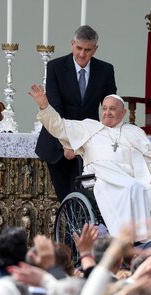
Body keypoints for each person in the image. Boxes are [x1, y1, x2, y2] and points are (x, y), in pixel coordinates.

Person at [29, 86, 151, 242]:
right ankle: (143, 239)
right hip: (105, 178)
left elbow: (150, 157)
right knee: (133, 188)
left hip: (136, 177)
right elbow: (58, 126)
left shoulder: (134, 131)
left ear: (123, 113)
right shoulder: (89, 127)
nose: (107, 112)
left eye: (112, 109)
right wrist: (44, 105)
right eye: (105, 108)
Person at [35, 25, 117, 203]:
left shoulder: (105, 70)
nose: (82, 54)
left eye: (87, 50)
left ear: (95, 49)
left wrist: (114, 130)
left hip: (88, 143)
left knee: (85, 198)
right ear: (72, 44)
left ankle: (80, 231)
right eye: (79, 48)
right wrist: (67, 144)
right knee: (66, 199)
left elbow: (110, 106)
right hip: (58, 144)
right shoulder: (55, 67)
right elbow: (56, 108)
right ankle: (68, 231)